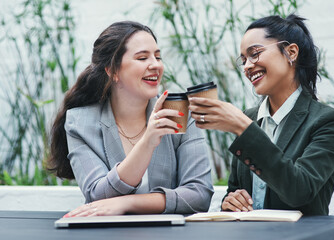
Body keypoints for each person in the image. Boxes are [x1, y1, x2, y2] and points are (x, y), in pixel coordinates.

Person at [188, 14, 334, 215]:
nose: (247, 66)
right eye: (244, 59)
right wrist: (231, 201)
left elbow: (300, 190)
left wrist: (243, 127)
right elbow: (235, 192)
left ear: (291, 52)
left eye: (254, 53)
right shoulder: (249, 118)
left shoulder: (329, 122)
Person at [48, 21, 213, 217]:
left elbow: (199, 195)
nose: (156, 65)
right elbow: (97, 195)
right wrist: (147, 142)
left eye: (158, 57)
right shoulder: (80, 123)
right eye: (143, 57)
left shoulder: (178, 113)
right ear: (112, 70)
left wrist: (127, 203)